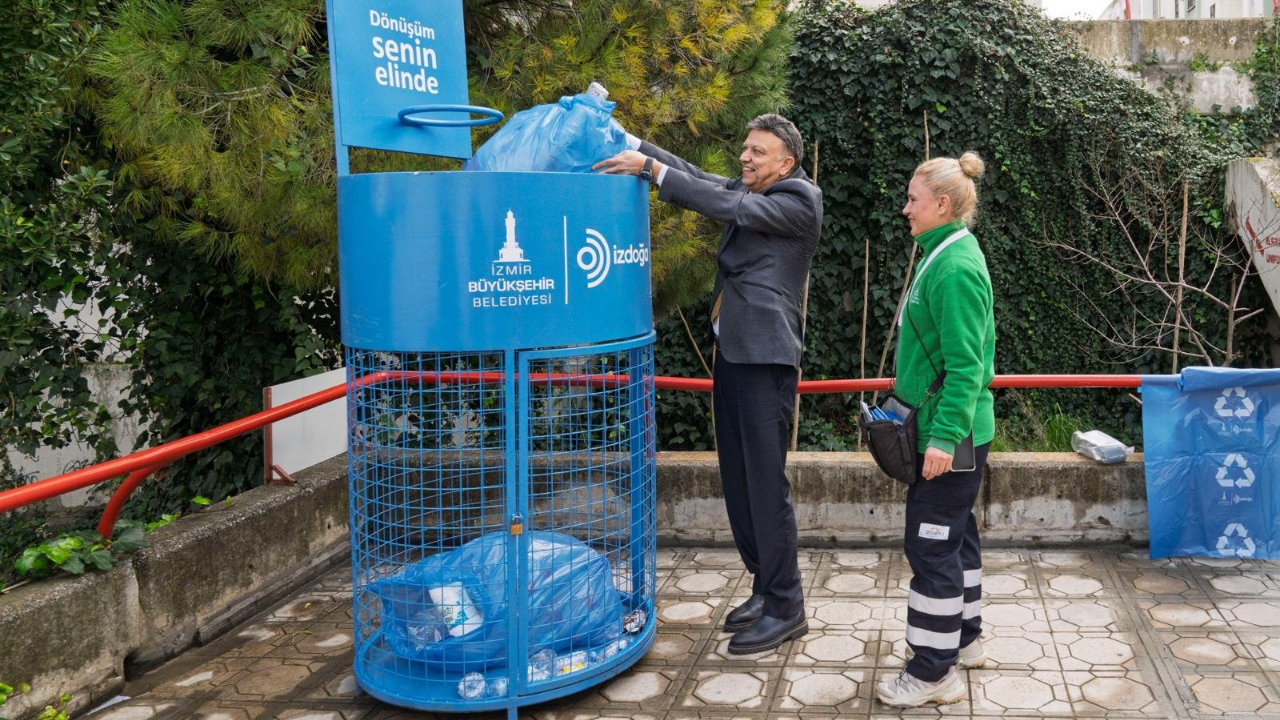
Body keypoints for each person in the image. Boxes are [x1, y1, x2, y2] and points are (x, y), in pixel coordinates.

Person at [595, 114, 823, 654]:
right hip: (736, 353)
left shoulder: (799, 198)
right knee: (739, 482)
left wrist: (650, 171)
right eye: (745, 148)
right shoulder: (756, 188)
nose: (745, 158)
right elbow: (701, 177)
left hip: (765, 357)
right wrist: (632, 143)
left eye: (758, 152)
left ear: (786, 163)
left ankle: (787, 605)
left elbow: (727, 205)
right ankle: (765, 586)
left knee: (764, 485)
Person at [876, 151, 996, 707]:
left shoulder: (955, 268)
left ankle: (932, 672)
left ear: (943, 205)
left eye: (913, 200)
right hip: (948, 430)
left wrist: (944, 438)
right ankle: (964, 641)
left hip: (951, 435)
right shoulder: (944, 253)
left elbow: (967, 367)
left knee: (930, 548)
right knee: (955, 536)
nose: (906, 209)